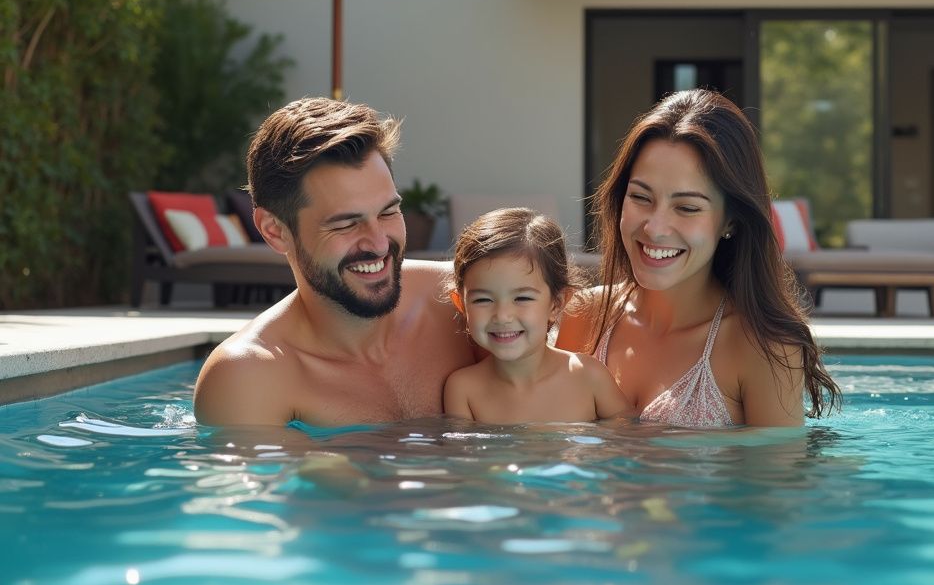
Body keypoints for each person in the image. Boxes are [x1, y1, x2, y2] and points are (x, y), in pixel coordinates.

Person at [557, 89, 841, 427]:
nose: (655, 228)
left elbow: (779, 462)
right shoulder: (584, 316)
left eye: (687, 208)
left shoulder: (762, 346)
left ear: (731, 221)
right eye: (640, 198)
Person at [193, 97, 475, 429]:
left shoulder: (470, 302)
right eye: (345, 224)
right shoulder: (250, 378)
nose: (379, 244)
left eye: (388, 212)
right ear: (274, 231)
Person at [443, 208, 631, 423]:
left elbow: (630, 435)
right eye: (483, 300)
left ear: (556, 303)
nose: (502, 316)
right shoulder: (463, 389)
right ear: (461, 304)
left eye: (522, 298)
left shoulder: (587, 376)